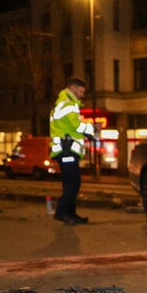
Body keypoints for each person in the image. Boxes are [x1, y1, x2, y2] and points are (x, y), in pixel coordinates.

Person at [49, 76, 95, 225]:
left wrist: (88, 132)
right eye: (81, 91)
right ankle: (62, 212)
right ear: (73, 88)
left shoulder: (63, 103)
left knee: (70, 182)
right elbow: (77, 126)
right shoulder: (68, 104)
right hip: (66, 149)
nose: (82, 95)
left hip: (65, 149)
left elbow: (71, 128)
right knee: (73, 182)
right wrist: (93, 128)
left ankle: (70, 214)